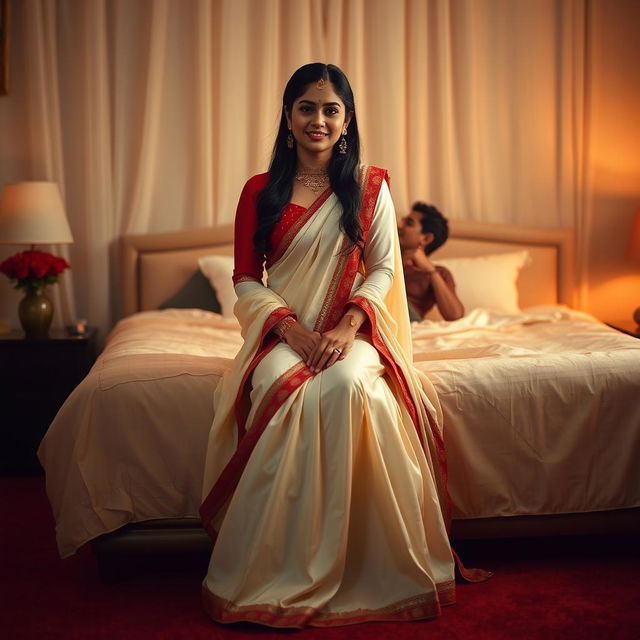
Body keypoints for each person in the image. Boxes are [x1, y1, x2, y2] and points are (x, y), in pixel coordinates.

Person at [200, 62, 488, 629]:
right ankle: (280, 563)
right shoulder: (260, 191)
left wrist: (346, 328)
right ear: (288, 117)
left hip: (351, 331)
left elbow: (384, 269)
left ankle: (368, 564)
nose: (318, 119)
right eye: (307, 107)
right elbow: (245, 278)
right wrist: (292, 330)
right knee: (283, 388)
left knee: (354, 384)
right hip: (282, 333)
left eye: (331, 109)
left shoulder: (370, 186)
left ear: (347, 120)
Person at [398, 203, 465, 321]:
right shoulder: (381, 258)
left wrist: (430, 271)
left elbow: (455, 316)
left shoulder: (439, 273)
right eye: (403, 221)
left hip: (407, 323)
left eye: (408, 223)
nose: (399, 226)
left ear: (426, 238)